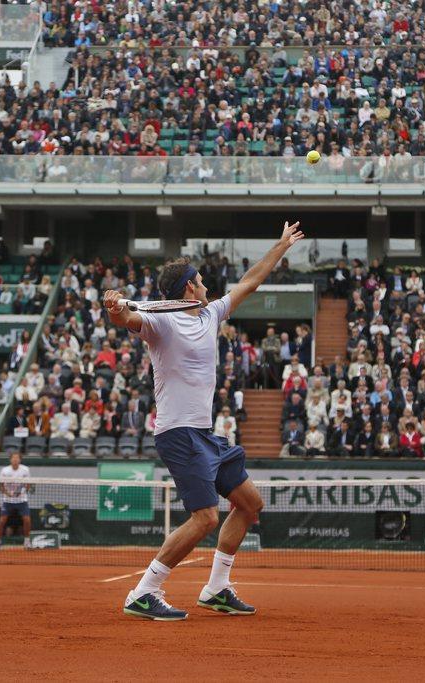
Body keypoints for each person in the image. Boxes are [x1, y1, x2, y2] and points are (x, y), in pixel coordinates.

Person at [104, 220, 305, 621]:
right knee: (206, 517)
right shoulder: (161, 321)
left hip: (205, 434)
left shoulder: (211, 314)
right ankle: (144, 591)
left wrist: (281, 246)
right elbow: (126, 320)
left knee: (249, 504)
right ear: (190, 286)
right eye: (200, 279)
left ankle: (216, 587)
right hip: (178, 433)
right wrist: (116, 307)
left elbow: (250, 283)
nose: (206, 283)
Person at [0, 451, 32, 550]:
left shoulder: (25, 470)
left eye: (17, 458)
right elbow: (1, 485)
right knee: (2, 521)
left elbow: (28, 485)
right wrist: (7, 493)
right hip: (8, 500)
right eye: (13, 458)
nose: (15, 460)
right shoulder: (4, 470)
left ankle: (27, 543)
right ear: (10, 460)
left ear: (20, 459)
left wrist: (21, 492)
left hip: (22, 500)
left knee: (27, 520)